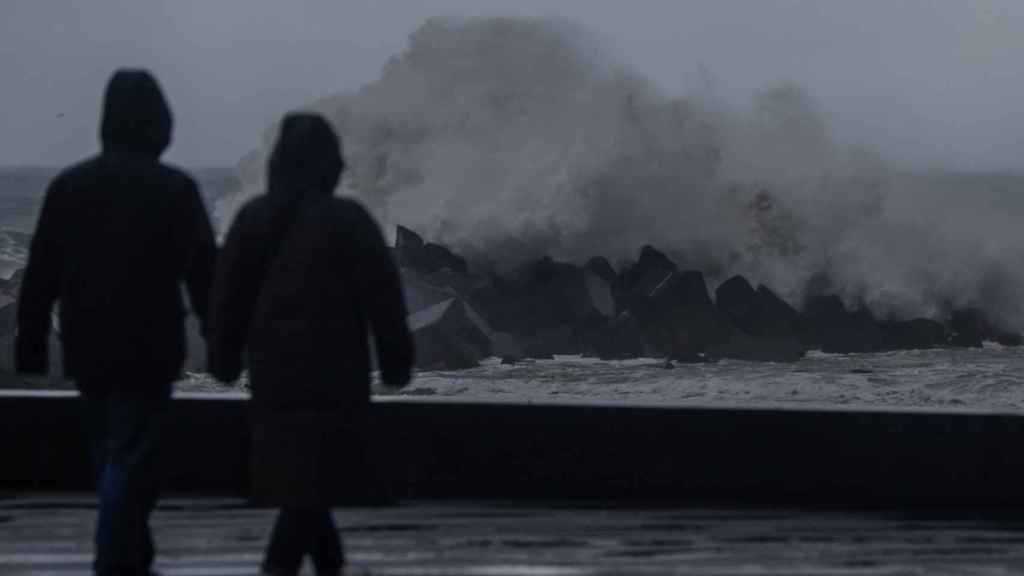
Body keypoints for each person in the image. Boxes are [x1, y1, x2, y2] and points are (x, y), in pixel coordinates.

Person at [15, 69, 217, 576]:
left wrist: (32, 345)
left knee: (113, 452)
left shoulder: (69, 186)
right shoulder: (176, 188)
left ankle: (129, 554)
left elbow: (40, 275)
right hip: (151, 349)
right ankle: (115, 557)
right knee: (134, 457)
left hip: (87, 345)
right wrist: (223, 337)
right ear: (160, 122)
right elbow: (205, 276)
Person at [207, 112, 414, 576]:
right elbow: (384, 300)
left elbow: (227, 299)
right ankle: (289, 567)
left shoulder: (254, 218)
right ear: (331, 164)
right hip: (338, 375)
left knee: (302, 487)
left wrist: (222, 356)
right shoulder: (350, 221)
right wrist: (397, 359)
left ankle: (303, 566)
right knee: (311, 487)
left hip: (275, 374)